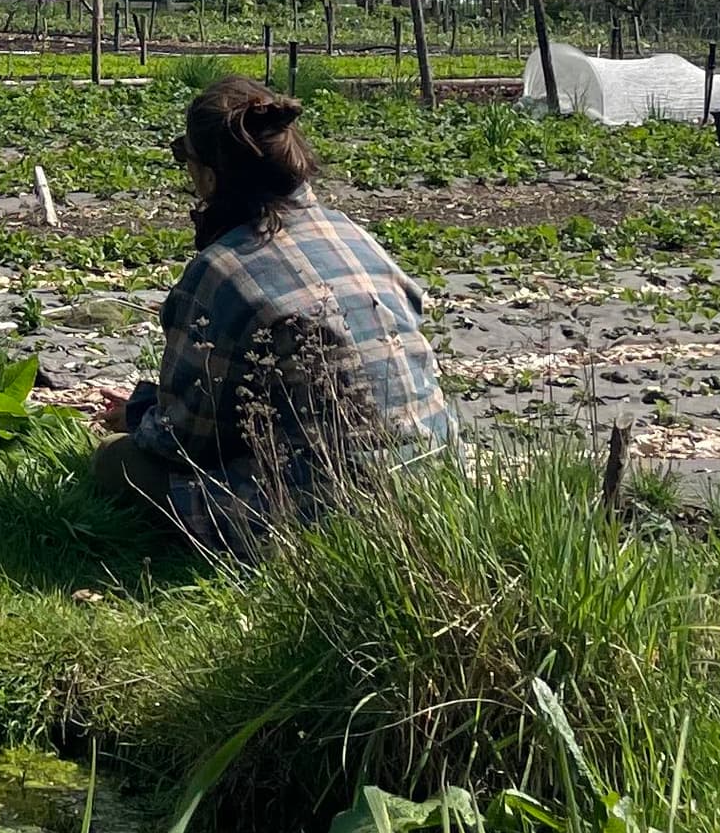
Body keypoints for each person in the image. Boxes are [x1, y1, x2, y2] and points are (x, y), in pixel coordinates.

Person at [95, 77, 459, 548]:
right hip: (431, 485)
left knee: (116, 462)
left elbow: (186, 442)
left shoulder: (221, 270)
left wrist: (141, 414)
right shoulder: (353, 235)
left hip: (328, 512)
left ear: (207, 175)